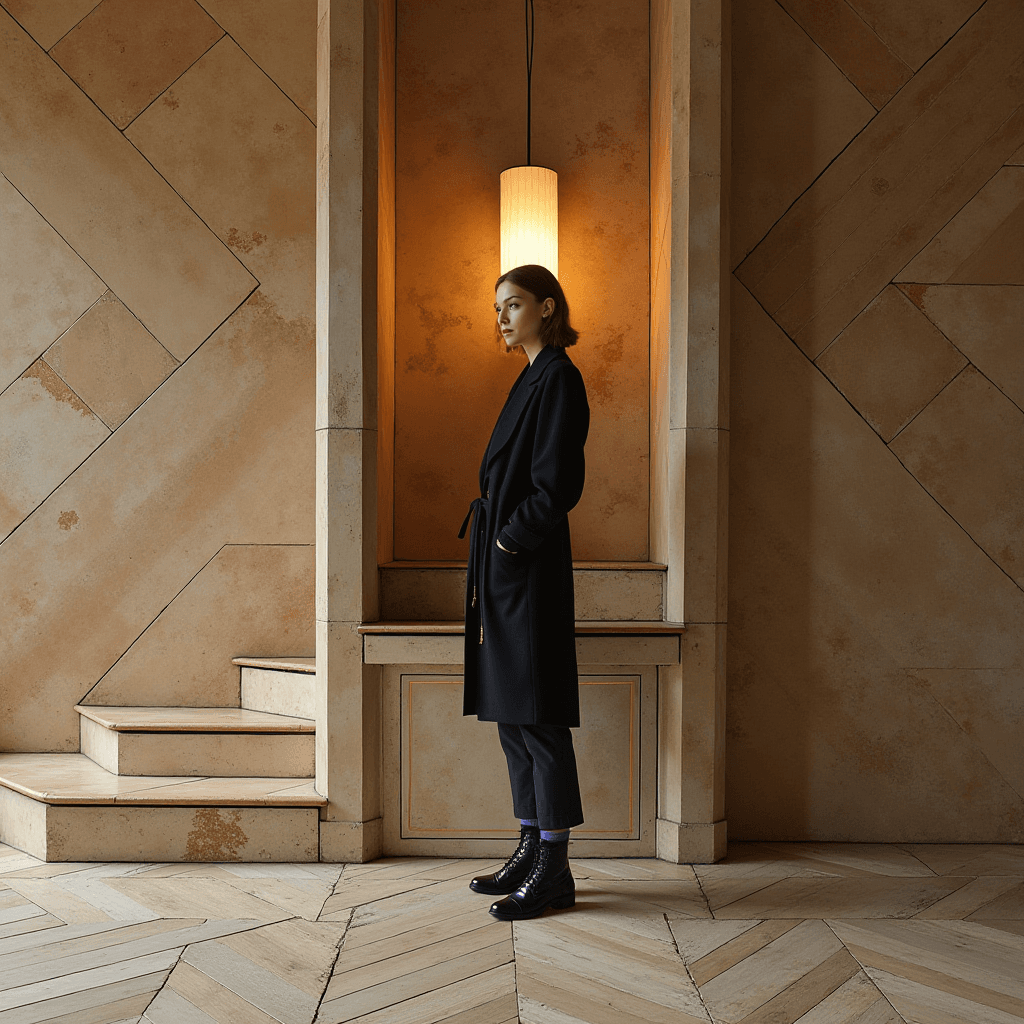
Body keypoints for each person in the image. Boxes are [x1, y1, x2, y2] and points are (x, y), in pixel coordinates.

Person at [457, 264, 590, 921]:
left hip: (527, 572)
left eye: (513, 304)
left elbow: (556, 486)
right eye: (497, 307)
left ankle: (555, 868)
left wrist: (509, 545)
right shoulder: (530, 377)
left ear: (547, 305)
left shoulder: (560, 378)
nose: (503, 317)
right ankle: (529, 844)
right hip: (506, 571)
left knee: (538, 719)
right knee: (512, 716)